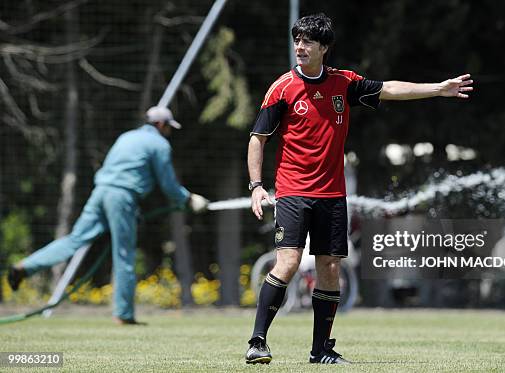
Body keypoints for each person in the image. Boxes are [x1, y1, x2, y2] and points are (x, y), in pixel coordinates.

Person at [245, 13, 474, 364]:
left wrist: (438, 89)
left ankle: (321, 350)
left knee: (331, 269)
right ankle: (258, 341)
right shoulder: (282, 88)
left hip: (333, 195)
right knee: (288, 262)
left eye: (308, 41)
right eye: (297, 40)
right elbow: (258, 139)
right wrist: (257, 185)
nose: (300, 47)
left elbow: (390, 88)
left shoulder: (344, 83)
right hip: (293, 191)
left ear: (324, 48)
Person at [8, 106, 208, 324]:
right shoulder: (159, 144)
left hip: (101, 191)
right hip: (122, 197)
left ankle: (25, 267)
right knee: (124, 254)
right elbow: (168, 185)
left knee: (74, 240)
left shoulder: (127, 136)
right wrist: (189, 199)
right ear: (160, 125)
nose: (170, 131)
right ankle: (123, 314)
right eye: (169, 126)